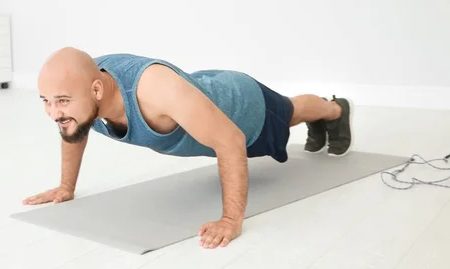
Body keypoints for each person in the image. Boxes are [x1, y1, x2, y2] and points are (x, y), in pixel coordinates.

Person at [23, 47, 353, 249]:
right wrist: (67, 187)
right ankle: (325, 115)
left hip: (244, 108)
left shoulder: (152, 89)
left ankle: (334, 110)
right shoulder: (79, 92)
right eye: (46, 102)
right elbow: (70, 126)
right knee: (285, 113)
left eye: (61, 102)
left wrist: (230, 219)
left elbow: (231, 140)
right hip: (201, 99)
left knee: (291, 111)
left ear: (96, 89)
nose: (54, 113)